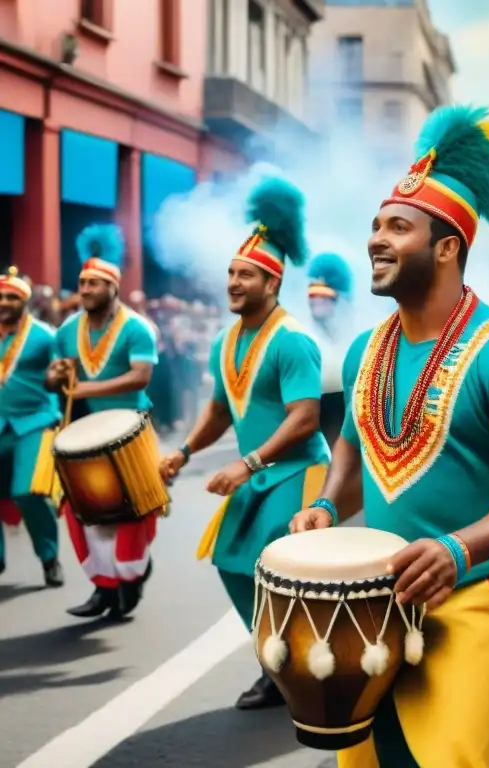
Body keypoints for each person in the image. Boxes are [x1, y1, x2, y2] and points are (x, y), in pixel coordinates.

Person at [289, 104, 489, 767]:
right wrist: (330, 504)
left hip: (471, 602)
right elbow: (357, 448)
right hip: (372, 609)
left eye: (397, 227)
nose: (376, 239)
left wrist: (457, 551)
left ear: (448, 247)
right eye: (375, 226)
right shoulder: (365, 350)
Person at [159, 176, 330, 711]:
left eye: (246, 275)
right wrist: (183, 452)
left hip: (298, 473)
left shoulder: (294, 341)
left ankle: (307, 667)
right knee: (232, 563)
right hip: (256, 473)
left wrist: (246, 462)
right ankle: (278, 663)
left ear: (272, 284)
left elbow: (305, 420)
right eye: (231, 273)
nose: (233, 282)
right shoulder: (223, 340)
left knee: (275, 568)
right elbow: (219, 409)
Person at [48, 225, 159, 619]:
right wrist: (57, 377)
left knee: (131, 509)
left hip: (132, 429)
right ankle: (103, 587)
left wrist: (87, 391)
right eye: (82, 283)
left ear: (114, 286)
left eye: (95, 283)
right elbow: (56, 376)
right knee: (83, 511)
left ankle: (131, 574)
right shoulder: (65, 331)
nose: (87, 289)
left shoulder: (136, 328)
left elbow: (141, 376)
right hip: (85, 433)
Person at [0, 267, 63, 586]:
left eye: (12, 297)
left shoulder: (45, 336)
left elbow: (64, 376)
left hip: (35, 421)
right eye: (1, 296)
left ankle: (49, 557)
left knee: (28, 492)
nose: (4, 302)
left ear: (24, 301)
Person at [306, 251, 353, 447]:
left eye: (325, 294)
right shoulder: (303, 339)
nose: (317, 300)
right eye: (313, 293)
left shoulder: (354, 341)